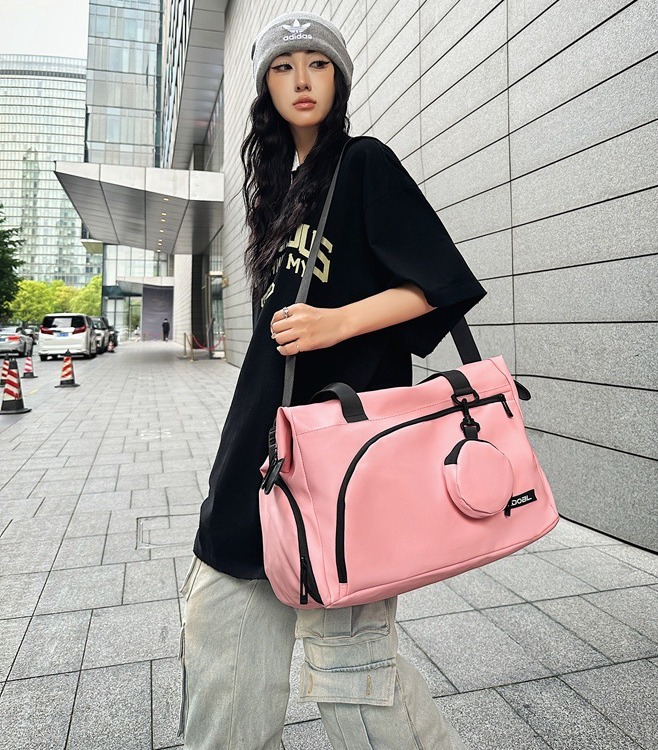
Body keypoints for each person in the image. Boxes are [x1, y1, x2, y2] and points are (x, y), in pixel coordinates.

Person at [180, 12, 486, 750]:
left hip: (342, 464)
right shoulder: (275, 193)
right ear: (266, 88)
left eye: (317, 64)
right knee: (223, 660)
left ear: (338, 79)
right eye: (283, 67)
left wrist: (337, 322)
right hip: (256, 456)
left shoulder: (364, 164)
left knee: (353, 676)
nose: (301, 80)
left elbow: (441, 284)